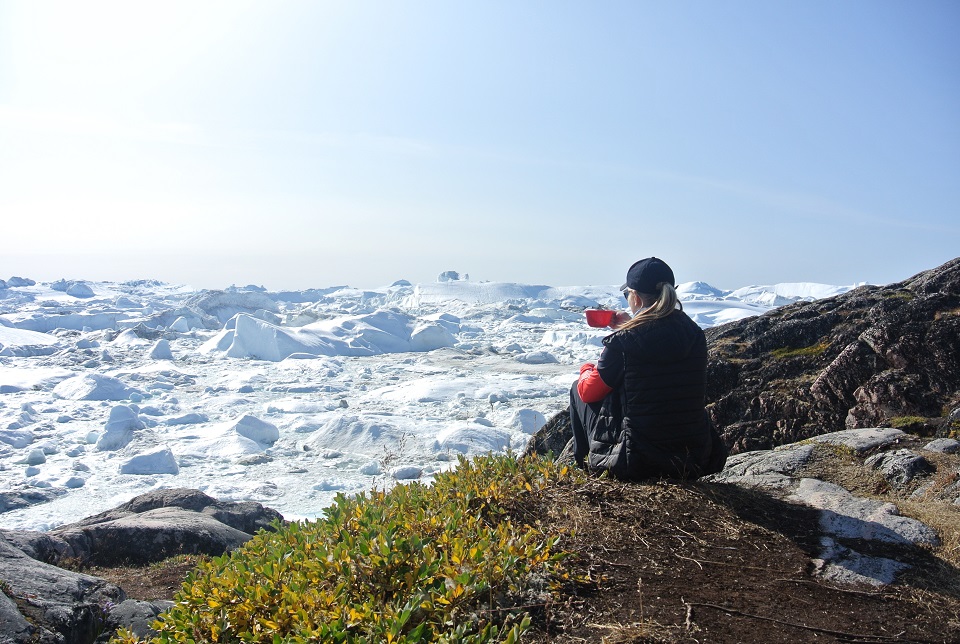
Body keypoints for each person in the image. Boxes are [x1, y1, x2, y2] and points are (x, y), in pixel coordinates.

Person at [569, 257, 726, 480]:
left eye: (627, 295)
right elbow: (658, 343)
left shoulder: (624, 343)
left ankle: (583, 469)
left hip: (636, 460)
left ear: (636, 297)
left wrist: (586, 369)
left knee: (577, 389)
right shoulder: (693, 334)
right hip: (691, 456)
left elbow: (589, 392)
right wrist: (628, 324)